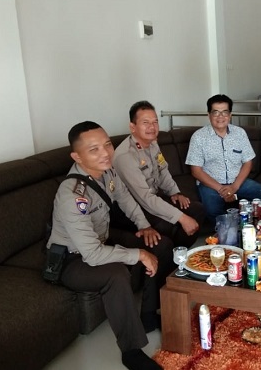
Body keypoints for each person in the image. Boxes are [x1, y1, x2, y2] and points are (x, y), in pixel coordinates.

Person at [47, 121, 169, 370]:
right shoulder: (73, 195)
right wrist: (138, 254)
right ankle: (131, 351)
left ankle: (148, 314)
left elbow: (124, 198)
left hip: (100, 241)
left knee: (160, 243)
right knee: (116, 274)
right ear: (77, 157)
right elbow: (92, 255)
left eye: (107, 145)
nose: (105, 153)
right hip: (73, 260)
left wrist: (144, 226)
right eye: (94, 149)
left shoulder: (107, 171)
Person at [113, 101, 205, 249]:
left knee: (197, 209)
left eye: (155, 122)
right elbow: (144, 198)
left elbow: (163, 171)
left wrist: (175, 192)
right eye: (145, 122)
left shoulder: (153, 144)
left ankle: (179, 252)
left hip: (153, 197)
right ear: (132, 127)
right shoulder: (125, 156)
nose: (152, 127)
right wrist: (181, 217)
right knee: (168, 224)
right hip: (135, 207)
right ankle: (174, 255)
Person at [185, 94, 261, 224]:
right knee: (214, 212)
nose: (220, 117)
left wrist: (234, 187)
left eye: (224, 112)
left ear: (230, 115)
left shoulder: (240, 133)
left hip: (238, 182)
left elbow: (248, 162)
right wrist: (222, 190)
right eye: (216, 112)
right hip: (211, 185)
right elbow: (196, 171)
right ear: (209, 115)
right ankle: (228, 233)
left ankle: (257, 228)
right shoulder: (198, 137)